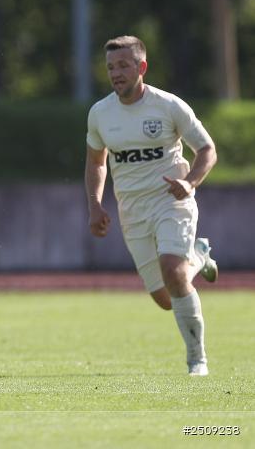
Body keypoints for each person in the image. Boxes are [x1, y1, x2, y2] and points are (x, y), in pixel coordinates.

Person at [85, 35, 218, 376]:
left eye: (124, 65)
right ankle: (199, 256)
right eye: (111, 67)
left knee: (174, 272)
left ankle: (196, 360)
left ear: (141, 67)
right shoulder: (100, 114)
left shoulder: (169, 105)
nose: (116, 73)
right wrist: (96, 204)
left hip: (171, 201)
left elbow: (206, 150)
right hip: (133, 211)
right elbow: (97, 162)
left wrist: (189, 183)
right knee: (165, 298)